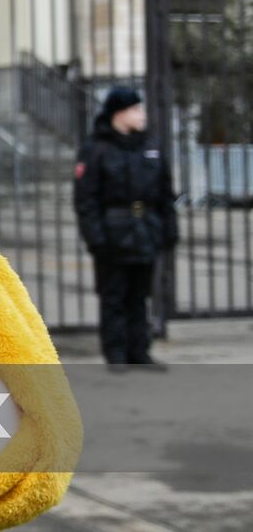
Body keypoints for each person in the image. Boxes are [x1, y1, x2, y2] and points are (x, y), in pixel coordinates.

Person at [74, 86, 178, 369]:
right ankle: (116, 353)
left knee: (140, 295)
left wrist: (168, 229)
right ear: (118, 114)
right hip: (113, 233)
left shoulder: (150, 147)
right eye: (135, 109)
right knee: (114, 295)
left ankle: (139, 352)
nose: (141, 114)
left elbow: (166, 194)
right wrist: (95, 237)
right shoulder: (96, 150)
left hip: (146, 230)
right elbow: (86, 199)